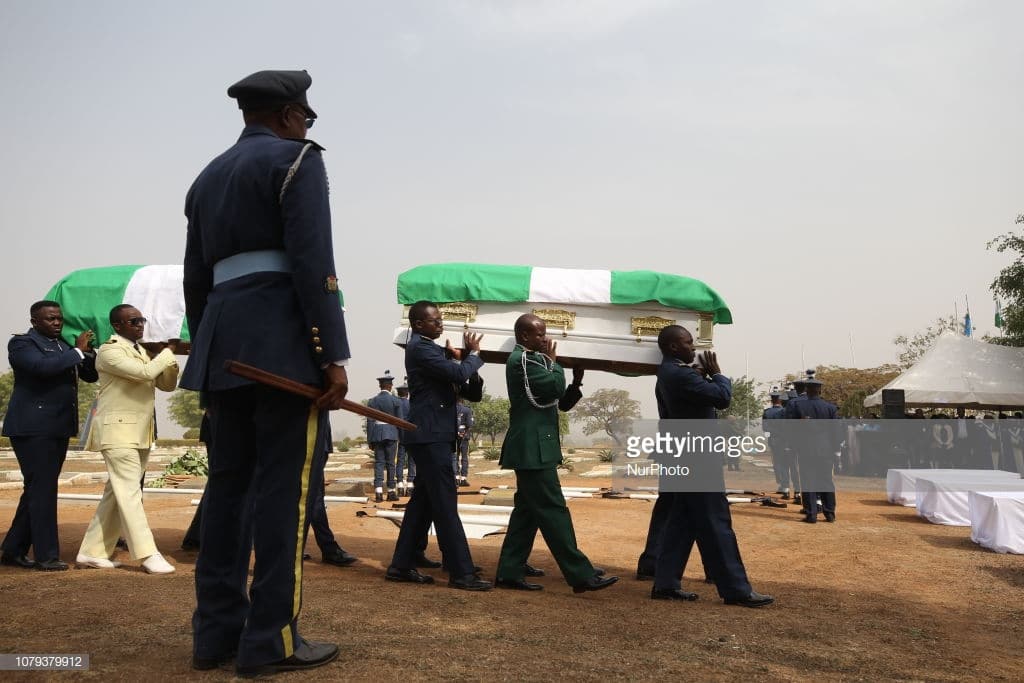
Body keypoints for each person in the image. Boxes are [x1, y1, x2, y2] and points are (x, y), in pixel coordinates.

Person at [181, 69, 351, 676]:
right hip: (282, 350)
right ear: (287, 115)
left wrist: (209, 349)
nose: (306, 126)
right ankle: (270, 640)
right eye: (306, 116)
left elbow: (195, 281)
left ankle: (215, 637)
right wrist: (332, 353)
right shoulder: (298, 159)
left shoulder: (206, 177)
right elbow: (313, 262)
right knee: (284, 495)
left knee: (227, 492)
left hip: (225, 349)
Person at [650, 325, 773, 608]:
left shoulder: (670, 373)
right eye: (688, 342)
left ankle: (665, 584)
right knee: (716, 521)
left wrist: (703, 377)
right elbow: (722, 397)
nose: (693, 347)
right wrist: (717, 373)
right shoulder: (679, 373)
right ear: (672, 347)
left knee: (681, 522)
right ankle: (736, 589)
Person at [494, 314, 618, 594]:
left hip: (537, 446)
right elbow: (552, 387)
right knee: (553, 509)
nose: (546, 339)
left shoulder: (534, 360)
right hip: (531, 449)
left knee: (527, 513)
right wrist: (554, 363)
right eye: (540, 334)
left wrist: (575, 383)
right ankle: (580, 574)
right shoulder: (524, 360)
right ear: (524, 336)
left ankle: (509, 571)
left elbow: (558, 403)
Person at [385, 300, 491, 591]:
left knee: (424, 503)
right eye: (435, 320)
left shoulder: (434, 351)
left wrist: (467, 361)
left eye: (440, 319)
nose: (441, 324)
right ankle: (461, 573)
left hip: (435, 436)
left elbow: (470, 390)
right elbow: (457, 375)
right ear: (418, 324)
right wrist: (474, 355)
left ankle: (402, 564)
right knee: (445, 505)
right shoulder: (420, 347)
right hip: (430, 436)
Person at [76, 305, 179, 574]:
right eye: (133, 321)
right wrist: (166, 353)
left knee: (116, 493)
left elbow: (166, 385)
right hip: (117, 432)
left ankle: (92, 552)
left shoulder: (142, 351)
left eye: (141, 320)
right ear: (117, 326)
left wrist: (167, 359)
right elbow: (143, 374)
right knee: (130, 493)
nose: (140, 324)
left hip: (139, 432)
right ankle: (147, 554)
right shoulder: (110, 351)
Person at [1, 301, 97, 571]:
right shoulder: (22, 345)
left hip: (58, 427)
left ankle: (12, 550)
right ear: (34, 321)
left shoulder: (63, 346)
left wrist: (89, 354)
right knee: (43, 490)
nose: (57, 323)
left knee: (37, 489)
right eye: (50, 319)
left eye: (59, 319)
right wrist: (77, 350)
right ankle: (47, 556)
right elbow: (43, 368)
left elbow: (89, 376)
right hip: (32, 428)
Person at [790, 371, 839, 523]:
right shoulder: (830, 408)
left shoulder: (798, 405)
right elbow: (836, 432)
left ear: (807, 390)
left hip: (805, 449)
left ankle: (811, 514)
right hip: (826, 450)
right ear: (820, 390)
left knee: (808, 480)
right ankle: (829, 513)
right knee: (826, 480)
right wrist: (835, 448)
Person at [306, 423, 358, 567]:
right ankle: (328, 548)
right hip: (304, 438)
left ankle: (293, 547)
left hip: (319, 440)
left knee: (315, 497)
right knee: (314, 499)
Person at [367, 372, 402, 502]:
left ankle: (379, 492)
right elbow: (400, 421)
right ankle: (391, 491)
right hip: (392, 433)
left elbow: (370, 421)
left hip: (377, 433)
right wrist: (401, 436)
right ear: (390, 386)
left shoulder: (372, 401)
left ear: (380, 386)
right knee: (391, 463)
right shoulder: (395, 401)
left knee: (379, 463)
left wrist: (370, 439)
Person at [762, 387, 789, 497]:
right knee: (787, 464)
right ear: (781, 400)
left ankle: (784, 485)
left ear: (772, 400)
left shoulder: (767, 412)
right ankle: (787, 486)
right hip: (786, 441)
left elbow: (765, 429)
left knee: (777, 463)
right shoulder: (785, 411)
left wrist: (770, 436)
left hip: (774, 441)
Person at [395, 384, 415, 497]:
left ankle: (400, 485)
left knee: (400, 461)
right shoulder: (411, 403)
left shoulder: (395, 404)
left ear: (398, 393)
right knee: (412, 461)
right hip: (411, 436)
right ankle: (410, 485)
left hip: (399, 436)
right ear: (407, 393)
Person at [454, 399, 474, 486]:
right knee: (464, 457)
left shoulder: (451, 408)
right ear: (463, 400)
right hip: (464, 437)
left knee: (455, 457)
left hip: (453, 436)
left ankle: (456, 477)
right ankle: (463, 479)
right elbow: (470, 424)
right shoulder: (467, 410)